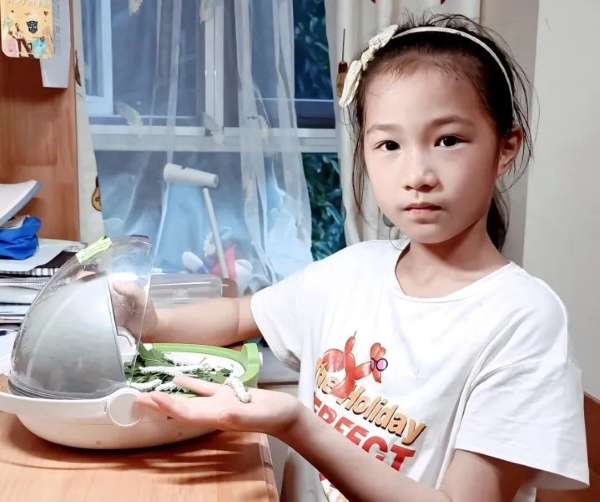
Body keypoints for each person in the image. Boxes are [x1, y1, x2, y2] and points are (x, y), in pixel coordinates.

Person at [131, 13, 589, 502]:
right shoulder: (354, 270)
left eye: (448, 140)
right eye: (389, 144)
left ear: (506, 147)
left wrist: (295, 424)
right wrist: (149, 321)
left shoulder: (524, 319)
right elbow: (242, 315)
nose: (417, 174)